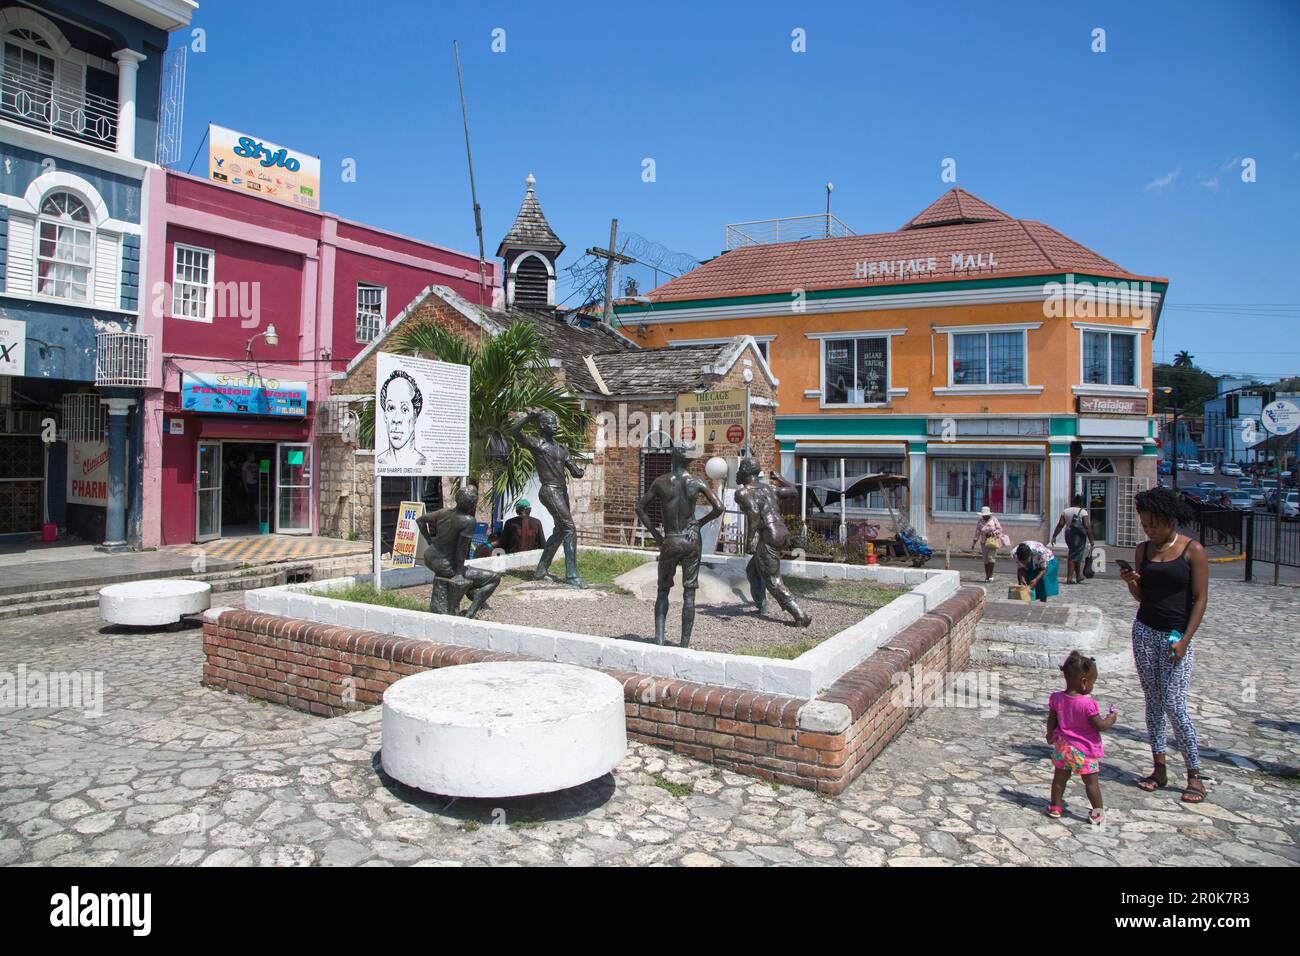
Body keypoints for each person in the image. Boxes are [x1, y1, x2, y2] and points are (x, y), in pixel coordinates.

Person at [1119, 486, 1209, 804]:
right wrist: (1133, 583)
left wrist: (1186, 639)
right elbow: (1143, 596)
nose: (1149, 530)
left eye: (1154, 524)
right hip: (1144, 631)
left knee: (1174, 704)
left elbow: (1199, 600)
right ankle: (1159, 767)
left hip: (1175, 637)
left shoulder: (1192, 550)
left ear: (1170, 519)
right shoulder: (1144, 551)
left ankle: (1194, 773)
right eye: (1145, 525)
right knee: (1153, 702)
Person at [635, 440, 724, 647]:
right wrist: (698, 524)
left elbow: (640, 508)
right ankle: (684, 644)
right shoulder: (697, 482)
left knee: (662, 590)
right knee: (689, 593)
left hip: (671, 539)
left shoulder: (661, 482)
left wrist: (657, 536)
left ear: (673, 456)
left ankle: (659, 639)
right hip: (691, 540)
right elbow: (719, 507)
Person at [506, 409, 585, 586]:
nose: (555, 425)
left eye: (555, 422)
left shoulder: (562, 449)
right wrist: (528, 417)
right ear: (542, 425)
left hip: (561, 490)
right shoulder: (536, 444)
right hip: (549, 490)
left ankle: (541, 570)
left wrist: (578, 471)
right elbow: (513, 432)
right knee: (569, 528)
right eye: (550, 423)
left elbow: (573, 469)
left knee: (560, 531)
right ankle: (572, 576)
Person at [735, 457, 812, 627]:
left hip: (768, 535)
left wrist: (749, 541)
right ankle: (761, 607)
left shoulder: (743, 492)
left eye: (740, 469)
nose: (737, 472)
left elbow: (754, 514)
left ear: (746, 472)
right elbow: (793, 491)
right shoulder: (770, 488)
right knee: (753, 571)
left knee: (773, 580)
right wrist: (780, 478)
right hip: (781, 532)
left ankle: (800, 615)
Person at [1045, 651, 1118, 825]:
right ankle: (1098, 812)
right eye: (1093, 682)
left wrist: (1049, 735)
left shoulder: (1056, 699)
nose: (1093, 685)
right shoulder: (1087, 704)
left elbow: (1052, 721)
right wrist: (1111, 719)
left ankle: (1055, 806)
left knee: (1059, 779)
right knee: (1091, 783)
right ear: (1084, 683)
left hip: (1063, 748)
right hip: (1084, 750)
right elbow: (1098, 725)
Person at [416, 486, 501, 619]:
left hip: (430, 557)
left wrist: (429, 541)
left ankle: (478, 600)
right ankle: (472, 611)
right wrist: (460, 574)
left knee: (471, 575)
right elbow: (461, 550)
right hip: (446, 565)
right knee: (494, 578)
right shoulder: (468, 521)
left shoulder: (443, 512)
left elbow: (420, 520)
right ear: (473, 504)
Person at [376, 370, 427, 470]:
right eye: (391, 408)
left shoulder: (423, 462)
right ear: (385, 415)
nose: (396, 419)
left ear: (415, 415)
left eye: (404, 409)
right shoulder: (380, 461)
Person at [1051, 494, 1095, 584]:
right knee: (1073, 555)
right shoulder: (1083, 512)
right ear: (1081, 502)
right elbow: (1086, 526)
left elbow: (1060, 524)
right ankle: (1069, 578)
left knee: (1076, 554)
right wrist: (1091, 539)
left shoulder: (1065, 511)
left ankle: (1078, 576)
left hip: (1068, 533)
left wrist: (1054, 536)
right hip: (1078, 535)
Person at [971, 506, 1007, 583]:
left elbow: (1000, 529)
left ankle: (990, 575)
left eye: (985, 515)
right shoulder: (980, 521)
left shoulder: (994, 519)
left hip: (993, 541)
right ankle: (987, 575)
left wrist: (992, 533)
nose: (984, 516)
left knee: (991, 558)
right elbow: (977, 532)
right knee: (985, 560)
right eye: (983, 515)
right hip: (984, 542)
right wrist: (974, 542)